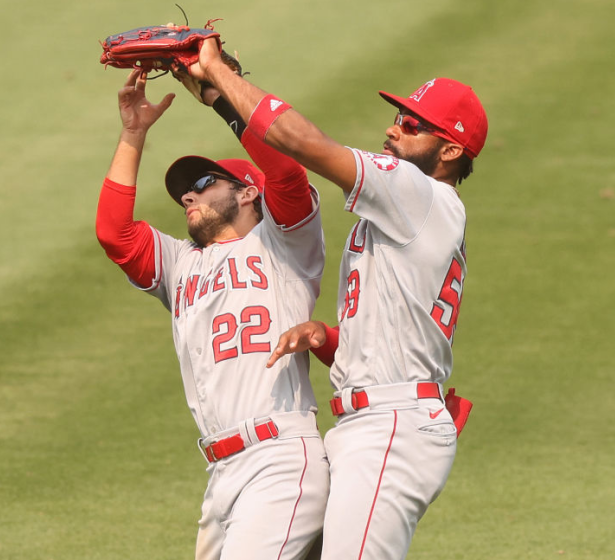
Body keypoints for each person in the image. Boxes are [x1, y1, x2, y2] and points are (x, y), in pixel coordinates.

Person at [188, 39, 488, 559]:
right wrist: (327, 339)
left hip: (391, 430)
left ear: (451, 151)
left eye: (413, 125)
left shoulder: (417, 194)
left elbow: (299, 143)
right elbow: (396, 331)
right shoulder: (405, 213)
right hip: (373, 424)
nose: (394, 127)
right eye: (398, 115)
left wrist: (222, 79)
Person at [95, 68, 329, 560]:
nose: (188, 196)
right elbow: (114, 233)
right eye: (184, 192)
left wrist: (223, 98)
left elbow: (286, 174)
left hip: (280, 459)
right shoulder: (180, 263)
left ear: (247, 192)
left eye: (202, 184)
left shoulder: (285, 244)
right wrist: (133, 134)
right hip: (221, 474)